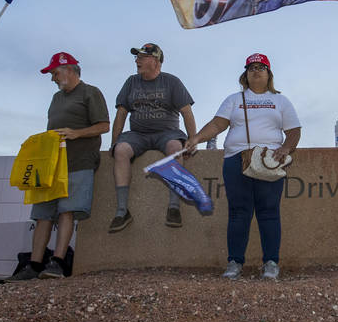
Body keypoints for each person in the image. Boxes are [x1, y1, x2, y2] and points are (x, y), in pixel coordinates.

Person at [183, 53, 300, 280]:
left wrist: (286, 149)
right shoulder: (234, 99)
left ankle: (271, 263)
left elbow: (294, 131)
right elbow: (218, 124)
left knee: (269, 212)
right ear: (245, 74)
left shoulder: (281, 101)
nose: (256, 71)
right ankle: (235, 262)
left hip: (269, 160)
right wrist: (196, 138)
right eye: (251, 67)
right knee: (238, 213)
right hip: (236, 159)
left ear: (269, 74)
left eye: (261, 67)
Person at [9, 52, 109, 281]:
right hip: (50, 164)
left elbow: (103, 125)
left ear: (70, 70)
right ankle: (34, 264)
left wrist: (76, 133)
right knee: (43, 213)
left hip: (78, 162)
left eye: (55, 73)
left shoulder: (90, 93)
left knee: (67, 210)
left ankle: (58, 261)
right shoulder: (56, 98)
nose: (53, 78)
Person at [108, 42, 197, 232]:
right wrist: (114, 142)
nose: (137, 61)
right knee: (121, 150)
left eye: (142, 57)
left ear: (156, 61)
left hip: (167, 133)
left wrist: (192, 140)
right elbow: (121, 114)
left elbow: (187, 112)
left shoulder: (171, 82)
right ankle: (122, 211)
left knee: (175, 148)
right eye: (137, 57)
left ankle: (174, 207)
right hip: (138, 134)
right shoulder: (131, 82)